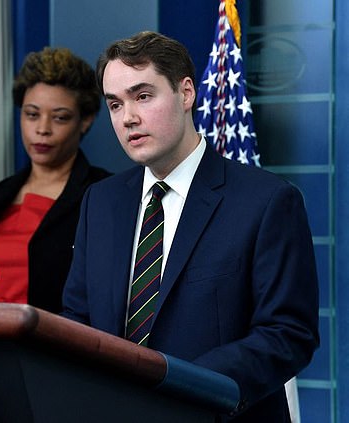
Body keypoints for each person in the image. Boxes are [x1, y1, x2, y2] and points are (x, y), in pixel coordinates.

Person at [61, 31, 319, 421]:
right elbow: (76, 320)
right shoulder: (101, 202)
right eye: (115, 104)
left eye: (143, 96)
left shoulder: (266, 201)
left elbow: (287, 335)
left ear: (185, 94)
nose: (128, 117)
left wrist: (177, 387)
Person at [0, 47, 111, 313]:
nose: (42, 129)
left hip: (51, 351)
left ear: (85, 121)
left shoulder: (104, 195)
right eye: (32, 114)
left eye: (60, 117)